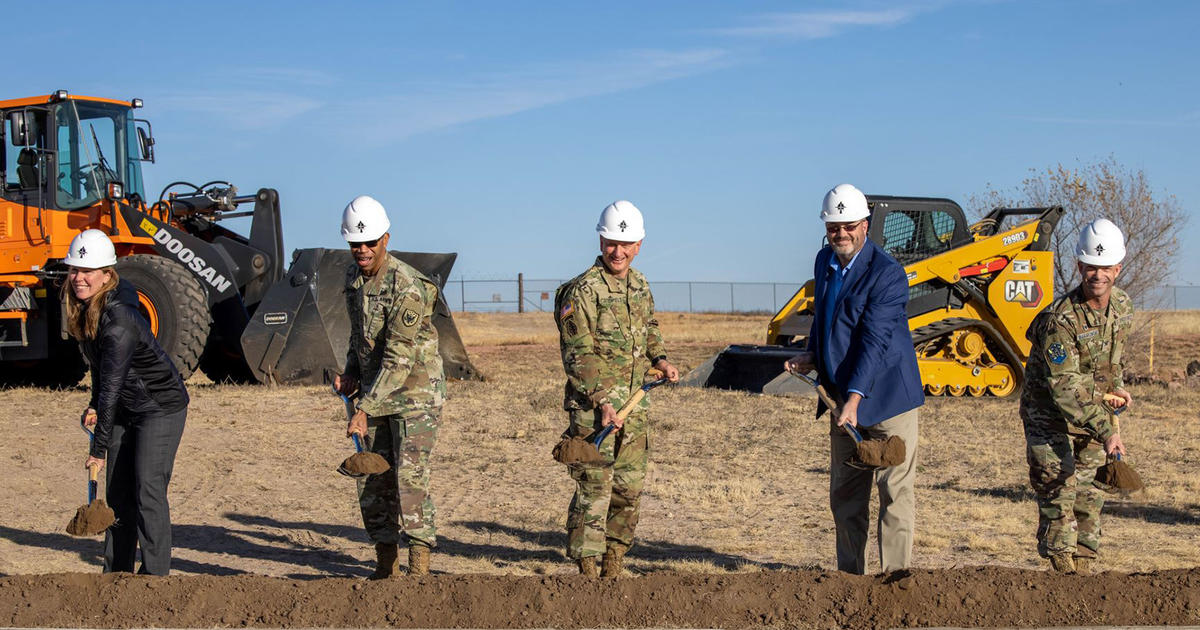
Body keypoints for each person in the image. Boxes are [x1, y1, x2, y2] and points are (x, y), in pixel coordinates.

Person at [784, 183, 924, 575]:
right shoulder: (823, 261)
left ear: (865, 224)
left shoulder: (887, 274)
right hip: (842, 401)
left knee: (895, 492)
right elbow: (824, 316)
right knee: (846, 495)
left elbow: (874, 341)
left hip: (887, 399)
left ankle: (896, 580)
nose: (841, 235)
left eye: (848, 226)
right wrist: (811, 354)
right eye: (833, 228)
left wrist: (855, 398)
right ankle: (850, 579)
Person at [554, 200, 680, 578]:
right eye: (611, 242)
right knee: (593, 489)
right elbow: (577, 354)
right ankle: (587, 571)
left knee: (628, 489)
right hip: (595, 411)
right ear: (600, 239)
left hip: (634, 408)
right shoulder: (581, 291)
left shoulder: (640, 284)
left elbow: (650, 327)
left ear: (639, 244)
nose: (618, 251)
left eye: (626, 244)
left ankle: (614, 563)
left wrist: (660, 359)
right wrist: (604, 401)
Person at [332, 195, 445, 578]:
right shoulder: (353, 279)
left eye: (369, 243)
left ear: (386, 239)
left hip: (415, 395)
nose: (361, 250)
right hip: (373, 392)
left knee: (410, 477)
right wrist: (350, 372)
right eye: (354, 244)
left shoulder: (408, 286)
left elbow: (399, 359)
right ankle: (385, 565)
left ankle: (419, 569)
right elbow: (358, 337)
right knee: (373, 476)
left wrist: (363, 409)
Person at [65, 229, 189, 576]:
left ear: (107, 275)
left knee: (147, 487)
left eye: (87, 271)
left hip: (159, 406)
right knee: (117, 491)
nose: (79, 278)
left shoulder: (119, 320)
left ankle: (154, 579)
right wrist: (93, 404)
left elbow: (114, 385)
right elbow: (99, 369)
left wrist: (98, 449)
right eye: (74, 269)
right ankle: (117, 575)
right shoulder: (86, 309)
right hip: (124, 404)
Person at [1021, 218, 1132, 575]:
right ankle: (1062, 571)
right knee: (1058, 482)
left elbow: (1109, 359)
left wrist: (1117, 391)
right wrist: (1107, 429)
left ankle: (1084, 567)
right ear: (1079, 267)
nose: (1097, 275)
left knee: (1090, 489)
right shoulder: (1061, 320)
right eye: (1090, 267)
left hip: (1093, 406)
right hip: (1048, 409)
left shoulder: (1123, 308)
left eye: (1105, 268)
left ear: (1118, 268)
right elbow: (1064, 390)